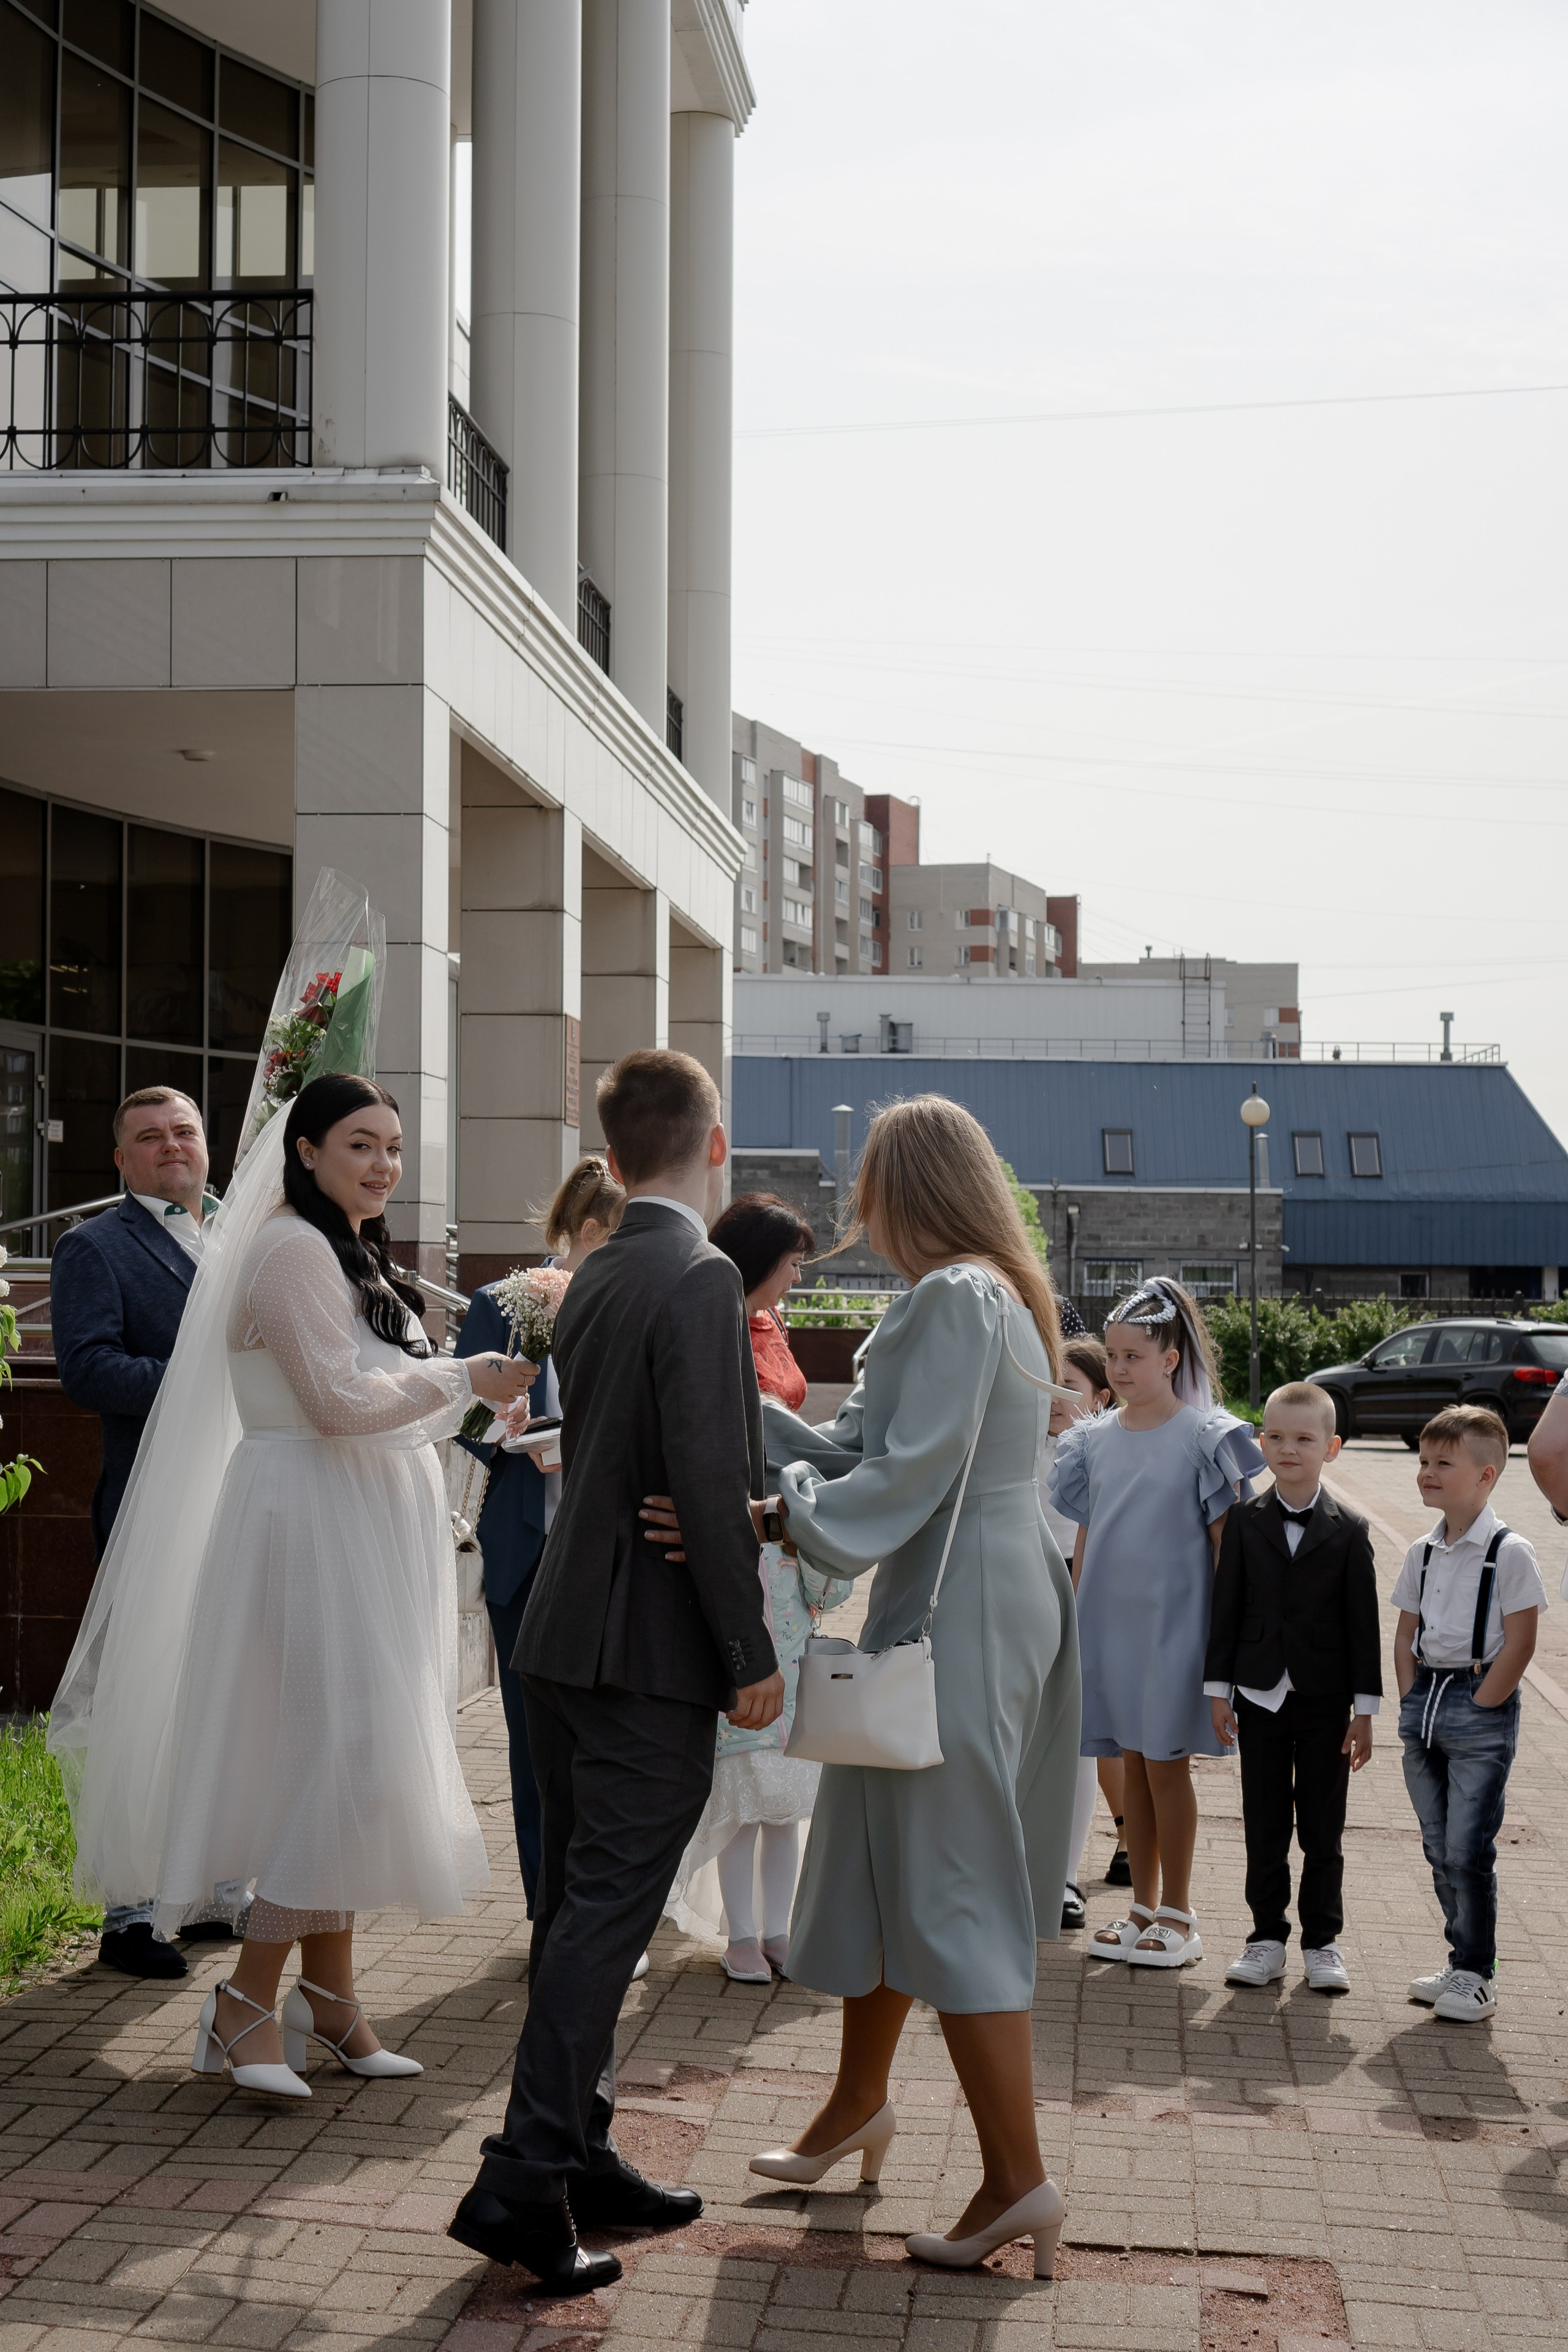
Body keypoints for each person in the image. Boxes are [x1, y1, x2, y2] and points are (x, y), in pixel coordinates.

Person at [450, 1050, 783, 2299]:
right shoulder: (694, 1272)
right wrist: (747, 1652)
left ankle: (579, 2153)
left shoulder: (588, 1273)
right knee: (606, 1915)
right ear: (712, 1143)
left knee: (578, 1910)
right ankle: (522, 2180)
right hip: (643, 1646)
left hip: (560, 1634)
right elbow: (700, 1472)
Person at [745, 1097, 1082, 2283]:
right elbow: (872, 1457)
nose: (854, 1210)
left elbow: (900, 1471)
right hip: (976, 1592)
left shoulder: (953, 1296)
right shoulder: (992, 1292)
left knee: (948, 1882)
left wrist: (785, 1512)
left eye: (867, 1183)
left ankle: (1014, 2178)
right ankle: (854, 2105)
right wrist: (759, 1428)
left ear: (908, 1189)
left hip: (958, 1607)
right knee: (886, 1852)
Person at [50, 1085, 219, 1980]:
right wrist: (204, 1376)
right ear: (121, 1161)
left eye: (183, 1132)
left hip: (238, 1497)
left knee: (216, 1693)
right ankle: (128, 1914)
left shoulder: (241, 1233)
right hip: (152, 1507)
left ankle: (205, 1891)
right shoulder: (94, 1247)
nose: (169, 1147)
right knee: (140, 1701)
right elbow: (86, 1370)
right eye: (148, 1138)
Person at [665, 1193, 855, 1983]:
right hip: (736, 1553)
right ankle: (741, 1932)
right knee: (744, 1768)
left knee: (785, 1778)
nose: (799, 1277)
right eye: (793, 1262)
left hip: (786, 1553)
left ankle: (776, 1928)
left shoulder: (767, 1326)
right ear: (759, 1259)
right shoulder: (710, 1327)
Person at [1049, 1277, 1264, 1969]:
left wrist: (1227, 1657)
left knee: (1166, 1769)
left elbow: (1227, 1552)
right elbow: (1086, 1540)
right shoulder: (1092, 1441)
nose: (1117, 1368)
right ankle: (1140, 1907)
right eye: (1111, 1356)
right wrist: (1074, 1624)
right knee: (1132, 1770)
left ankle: (1179, 1911)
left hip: (1175, 1634)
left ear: (1171, 1359)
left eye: (1133, 1356)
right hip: (1107, 1631)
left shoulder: (1206, 1438)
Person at [454, 1156, 626, 1912]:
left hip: (608, 1553)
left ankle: (603, 1911)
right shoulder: (500, 1302)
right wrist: (505, 1424)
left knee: (611, 1743)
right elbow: (461, 1419)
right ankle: (546, 1911)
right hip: (526, 1546)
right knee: (531, 1743)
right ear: (590, 1232)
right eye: (619, 1239)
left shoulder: (628, 1300)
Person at [1205, 1382, 1381, 1995]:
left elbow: (1364, 1628)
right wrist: (1216, 1689)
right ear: (1260, 1441)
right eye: (1275, 1436)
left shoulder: (1350, 1530)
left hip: (1326, 1702)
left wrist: (1364, 1712)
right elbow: (1225, 1609)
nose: (1288, 1448)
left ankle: (1322, 1941)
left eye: (1304, 1439)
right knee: (1263, 1821)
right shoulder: (1245, 1523)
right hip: (1256, 1697)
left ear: (1330, 1447)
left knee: (1322, 1827)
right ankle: (1264, 1937)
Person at [1392, 1405, 1546, 2024]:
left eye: (1442, 1464)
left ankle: (1478, 1974)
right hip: (1424, 1703)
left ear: (1485, 1476)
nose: (1426, 1472)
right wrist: (1409, 1696)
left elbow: (1522, 1638)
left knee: (1467, 1847)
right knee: (1436, 1843)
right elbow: (1405, 1631)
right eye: (1423, 1462)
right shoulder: (1420, 1550)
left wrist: (1485, 1700)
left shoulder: (1510, 1552)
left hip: (1478, 1702)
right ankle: (1460, 1960)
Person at [1042, 1336, 1121, 1931]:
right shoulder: (1010, 1445)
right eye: (1046, 1380)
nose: (1054, 1395)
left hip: (1082, 1599)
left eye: (1068, 1383)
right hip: (1020, 1600)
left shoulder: (1105, 1454)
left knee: (1078, 1744)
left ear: (1099, 1397)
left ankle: (1064, 1878)